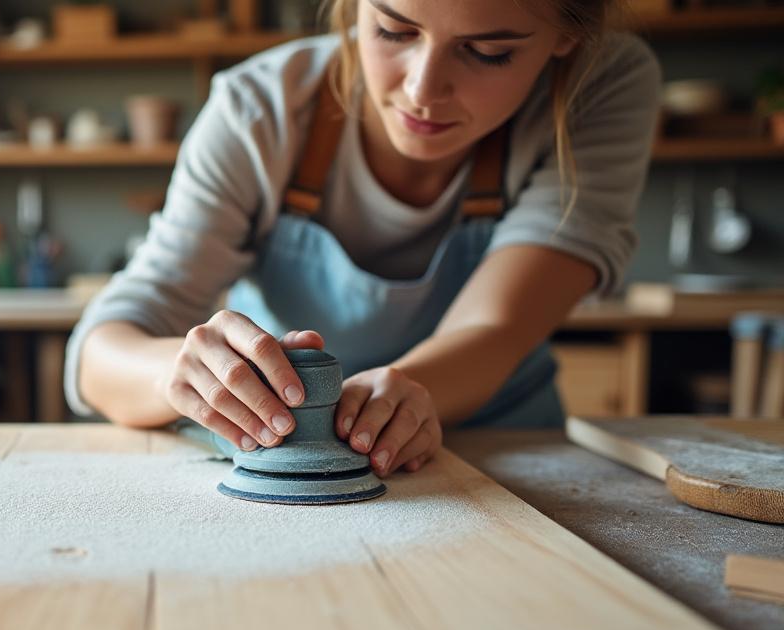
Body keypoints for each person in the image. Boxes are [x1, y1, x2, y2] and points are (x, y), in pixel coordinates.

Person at [64, 0, 660, 478]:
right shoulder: (260, 110)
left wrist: (411, 395)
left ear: (566, 37)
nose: (424, 89)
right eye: (393, 30)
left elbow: (495, 327)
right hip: (282, 457)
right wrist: (180, 371)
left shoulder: (599, 86)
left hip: (508, 456)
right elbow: (101, 352)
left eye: (487, 52)